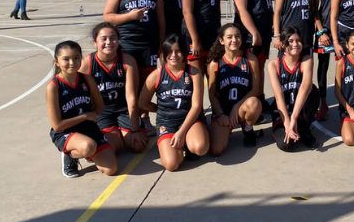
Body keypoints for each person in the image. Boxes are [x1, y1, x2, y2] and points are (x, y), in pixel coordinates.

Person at [103, 0, 165, 134]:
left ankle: (144, 118)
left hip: (149, 44)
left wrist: (161, 43)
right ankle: (131, 118)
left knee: (147, 84)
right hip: (127, 44)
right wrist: (129, 16)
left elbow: (161, 18)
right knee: (130, 83)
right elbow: (108, 16)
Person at [47, 41, 117, 178]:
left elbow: (99, 107)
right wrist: (85, 116)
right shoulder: (54, 86)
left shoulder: (87, 80)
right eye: (66, 59)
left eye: (76, 58)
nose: (72, 62)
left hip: (88, 129)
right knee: (88, 146)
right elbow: (57, 125)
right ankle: (69, 155)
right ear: (57, 62)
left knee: (111, 169)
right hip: (65, 132)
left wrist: (92, 115)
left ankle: (87, 150)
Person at [140, 34, 209, 171]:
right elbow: (142, 103)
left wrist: (181, 132)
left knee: (200, 148)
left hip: (190, 119)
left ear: (184, 52)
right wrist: (160, 109)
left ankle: (189, 140)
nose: (174, 55)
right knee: (171, 165)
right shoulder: (156, 75)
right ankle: (176, 146)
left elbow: (196, 106)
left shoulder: (194, 73)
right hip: (167, 122)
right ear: (163, 54)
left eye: (178, 51)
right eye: (169, 51)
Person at [79, 22, 147, 154]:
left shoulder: (128, 61)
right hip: (102, 112)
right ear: (95, 42)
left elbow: (131, 97)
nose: (109, 42)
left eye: (113, 38)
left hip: (124, 109)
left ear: (118, 40)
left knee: (138, 145)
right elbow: (81, 97)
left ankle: (121, 132)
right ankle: (115, 135)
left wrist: (135, 130)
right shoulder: (87, 63)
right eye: (103, 39)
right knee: (110, 148)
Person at [207, 24, 263, 155]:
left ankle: (247, 128)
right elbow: (212, 94)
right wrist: (221, 114)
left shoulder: (250, 59)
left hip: (242, 109)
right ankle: (226, 128)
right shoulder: (215, 63)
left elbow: (256, 90)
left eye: (237, 36)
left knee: (254, 103)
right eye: (229, 37)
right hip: (224, 112)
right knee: (216, 150)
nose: (234, 40)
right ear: (221, 41)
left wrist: (237, 107)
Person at [268, 27, 320, 151]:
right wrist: (287, 123)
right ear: (283, 44)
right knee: (286, 145)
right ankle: (290, 129)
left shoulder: (306, 60)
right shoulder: (274, 65)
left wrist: (294, 118)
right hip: (284, 111)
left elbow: (305, 88)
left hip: (299, 111)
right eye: (290, 41)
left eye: (298, 40)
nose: (295, 44)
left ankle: (305, 128)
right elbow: (279, 96)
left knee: (312, 90)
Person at [314, 0, 346, 121]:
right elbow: (314, 7)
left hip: (344, 29)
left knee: (345, 66)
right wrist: (321, 31)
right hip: (325, 29)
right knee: (323, 67)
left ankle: (346, 102)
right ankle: (323, 103)